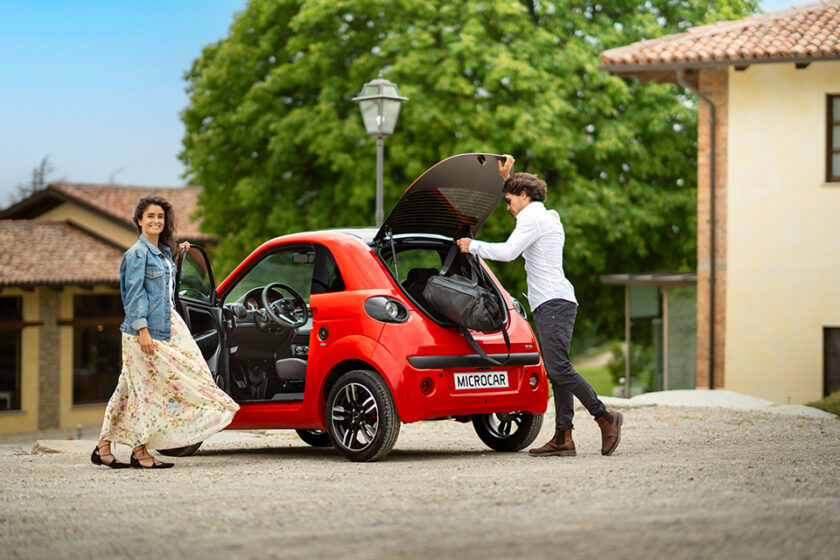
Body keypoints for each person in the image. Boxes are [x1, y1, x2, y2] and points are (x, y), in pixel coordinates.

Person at [456, 156, 622, 456]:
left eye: (508, 200)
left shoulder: (532, 218)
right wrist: (506, 179)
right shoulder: (546, 216)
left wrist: (473, 246)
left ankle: (605, 416)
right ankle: (563, 437)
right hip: (555, 301)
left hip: (553, 303)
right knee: (557, 371)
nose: (507, 207)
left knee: (559, 369)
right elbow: (519, 205)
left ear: (524, 196)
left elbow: (507, 252)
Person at [91, 196, 239, 469]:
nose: (156, 220)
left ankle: (103, 447)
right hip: (146, 330)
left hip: (168, 323)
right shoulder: (136, 254)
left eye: (160, 216)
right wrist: (143, 331)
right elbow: (134, 296)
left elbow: (164, 288)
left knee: (129, 388)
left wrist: (178, 254)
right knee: (145, 389)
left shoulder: (161, 253)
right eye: (150, 216)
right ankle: (140, 452)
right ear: (139, 221)